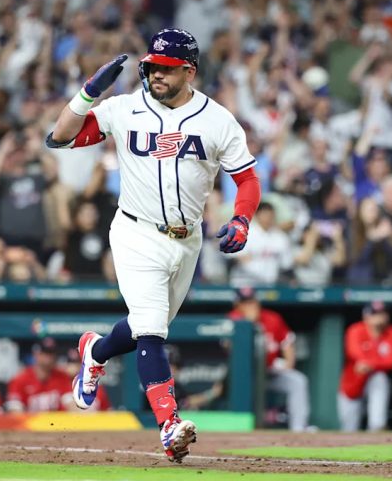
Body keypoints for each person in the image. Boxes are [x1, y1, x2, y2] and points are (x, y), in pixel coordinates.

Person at [46, 28, 261, 461]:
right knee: (150, 329)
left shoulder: (218, 119)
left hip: (187, 239)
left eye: (166, 68)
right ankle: (169, 424)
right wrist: (88, 94)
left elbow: (248, 179)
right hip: (136, 231)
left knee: (147, 324)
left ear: (189, 71)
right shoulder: (125, 108)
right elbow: (59, 136)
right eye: (151, 67)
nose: (156, 74)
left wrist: (242, 218)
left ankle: (95, 350)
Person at [228, 287, 311, 432]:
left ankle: (298, 428)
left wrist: (288, 363)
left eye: (252, 301)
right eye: (245, 303)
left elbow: (287, 343)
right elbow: (230, 348)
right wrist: (249, 323)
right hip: (245, 376)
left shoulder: (272, 318)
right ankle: (240, 427)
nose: (250, 306)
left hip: (270, 371)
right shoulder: (232, 319)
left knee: (298, 381)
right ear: (237, 305)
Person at [338, 301, 392, 432]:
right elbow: (362, 362)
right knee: (349, 429)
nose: (379, 317)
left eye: (382, 313)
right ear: (366, 316)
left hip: (375, 380)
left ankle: (377, 426)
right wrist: (391, 363)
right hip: (353, 384)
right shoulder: (355, 330)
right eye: (375, 313)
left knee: (379, 377)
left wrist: (391, 362)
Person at [5, 338, 72, 413]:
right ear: (36, 354)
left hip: (56, 420)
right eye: (44, 352)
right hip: (30, 420)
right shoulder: (20, 379)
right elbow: (15, 409)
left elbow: (70, 403)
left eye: (51, 353)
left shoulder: (62, 377)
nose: (48, 357)